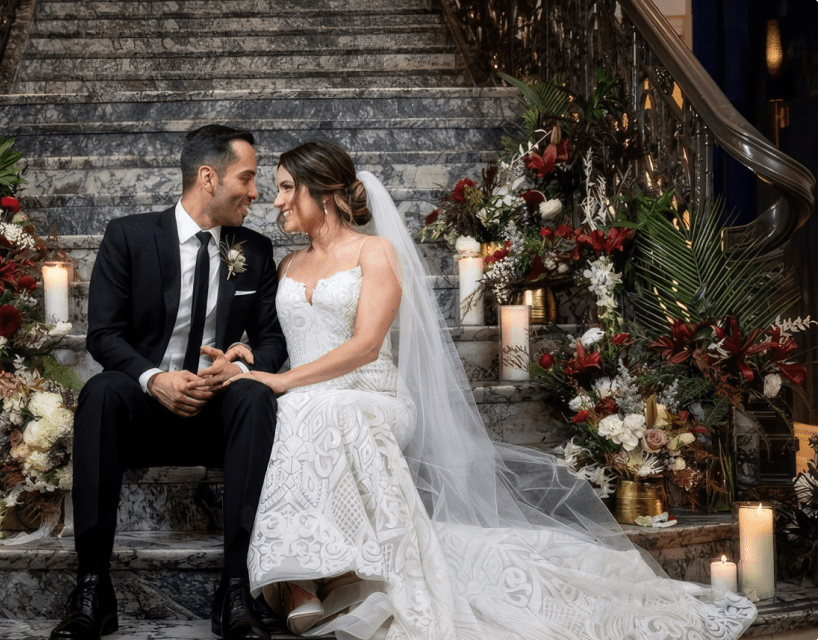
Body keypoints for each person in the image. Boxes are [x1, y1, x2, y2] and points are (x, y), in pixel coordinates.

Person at [228, 140, 758, 639]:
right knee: (301, 410)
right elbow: (283, 337)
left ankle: (315, 578)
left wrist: (282, 381)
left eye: (284, 187)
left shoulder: (375, 254)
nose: (274, 202)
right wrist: (253, 356)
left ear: (323, 192)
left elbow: (367, 346)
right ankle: (309, 574)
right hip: (308, 392)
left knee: (313, 410)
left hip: (371, 393)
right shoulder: (288, 263)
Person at [51, 125, 288, 640]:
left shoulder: (256, 250)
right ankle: (92, 585)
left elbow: (273, 343)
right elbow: (103, 335)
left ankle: (235, 587)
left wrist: (240, 366)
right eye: (246, 178)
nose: (255, 192)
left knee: (255, 393)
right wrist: (154, 378)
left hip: (219, 412)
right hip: (145, 410)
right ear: (208, 177)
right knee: (100, 391)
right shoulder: (130, 235)